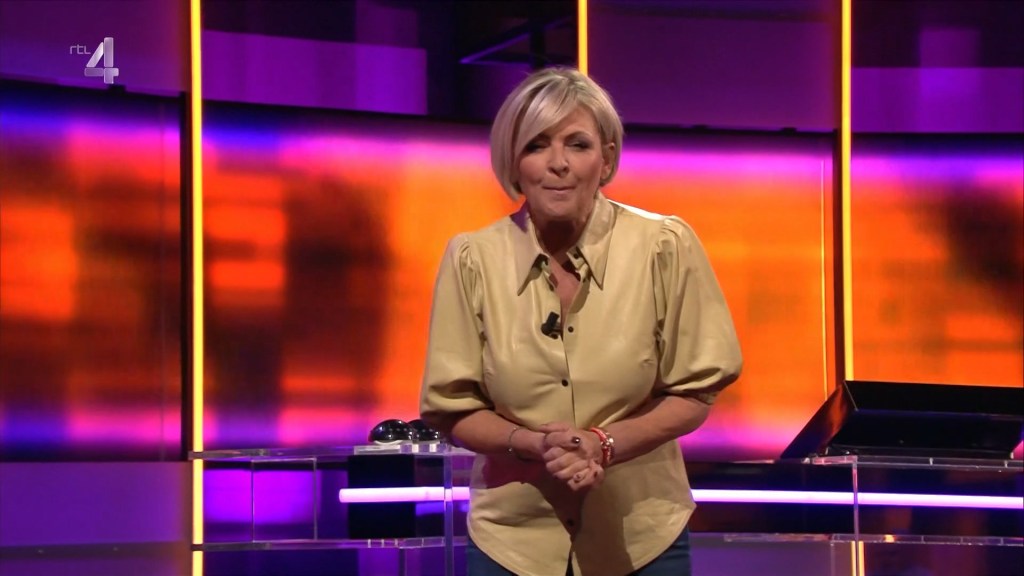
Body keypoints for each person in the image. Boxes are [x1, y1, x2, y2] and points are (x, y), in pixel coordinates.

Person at [419, 67, 742, 576]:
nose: (558, 164)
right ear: (513, 161)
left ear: (606, 158)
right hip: (512, 544)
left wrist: (603, 444)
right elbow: (453, 406)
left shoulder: (664, 246)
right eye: (536, 145)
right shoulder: (471, 259)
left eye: (577, 144)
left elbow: (696, 391)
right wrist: (534, 446)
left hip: (642, 537)